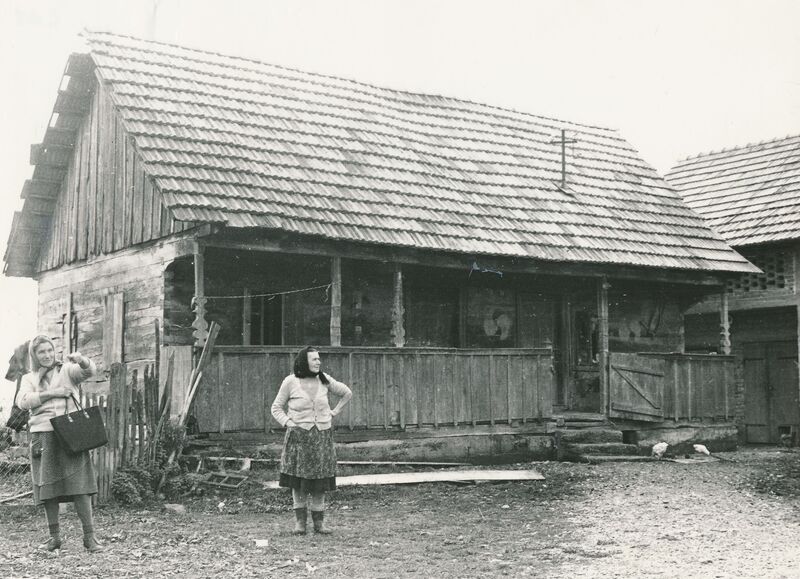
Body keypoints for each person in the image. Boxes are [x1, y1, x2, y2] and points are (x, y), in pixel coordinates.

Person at [16, 335, 102, 553]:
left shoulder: (65, 370)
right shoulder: (29, 378)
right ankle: (54, 537)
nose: (47, 355)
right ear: (34, 356)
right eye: (41, 352)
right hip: (43, 435)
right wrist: (52, 393)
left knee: (81, 486)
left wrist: (81, 360)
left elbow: (89, 371)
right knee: (48, 488)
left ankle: (89, 537)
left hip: (71, 434)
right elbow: (23, 401)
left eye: (49, 350)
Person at [271, 346, 352, 535]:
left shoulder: (324, 379)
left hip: (322, 437)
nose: (318, 362)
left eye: (319, 359)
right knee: (298, 481)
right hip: (299, 438)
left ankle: (319, 524)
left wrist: (334, 412)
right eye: (314, 359)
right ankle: (300, 523)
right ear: (303, 361)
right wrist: (288, 423)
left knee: (320, 481)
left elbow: (347, 392)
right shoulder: (290, 381)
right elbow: (276, 408)